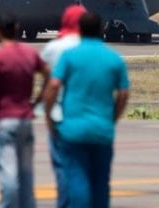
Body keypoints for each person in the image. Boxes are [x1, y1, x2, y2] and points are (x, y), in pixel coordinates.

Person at [43, 12, 130, 208]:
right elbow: (123, 94)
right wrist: (113, 118)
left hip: (72, 130)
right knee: (101, 183)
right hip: (102, 129)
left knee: (76, 180)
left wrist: (48, 118)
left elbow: (53, 86)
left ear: (80, 30)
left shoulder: (70, 56)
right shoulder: (113, 58)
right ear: (101, 30)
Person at [0, 13, 50, 208]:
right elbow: (50, 77)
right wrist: (36, 102)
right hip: (25, 121)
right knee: (26, 176)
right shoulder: (30, 53)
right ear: (18, 28)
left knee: (9, 175)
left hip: (5, 121)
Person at [39, 4, 85, 208]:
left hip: (62, 120)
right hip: (93, 122)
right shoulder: (102, 52)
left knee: (64, 171)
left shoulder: (54, 48)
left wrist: (46, 115)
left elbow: (50, 85)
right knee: (94, 176)